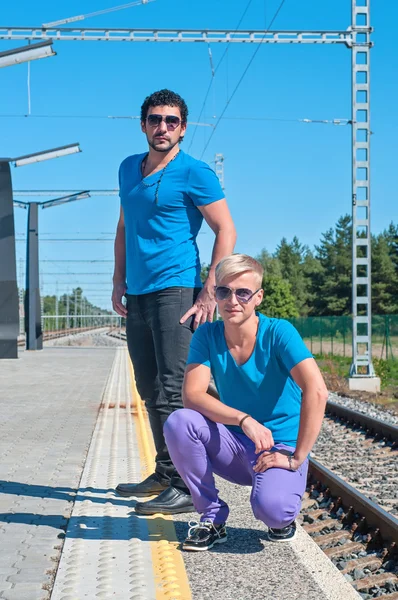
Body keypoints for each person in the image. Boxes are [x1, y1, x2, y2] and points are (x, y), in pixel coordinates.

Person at [112, 89, 236, 515]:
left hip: (177, 288)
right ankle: (165, 472)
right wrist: (117, 279)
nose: (162, 127)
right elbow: (124, 225)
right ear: (143, 124)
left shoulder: (195, 173)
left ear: (182, 128)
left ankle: (187, 486)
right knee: (148, 387)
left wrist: (209, 290)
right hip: (138, 290)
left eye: (171, 120)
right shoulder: (129, 169)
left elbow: (226, 230)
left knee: (174, 389)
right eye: (154, 119)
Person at [164, 254, 328, 549]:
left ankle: (280, 501)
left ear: (258, 298)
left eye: (243, 292)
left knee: (273, 512)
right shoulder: (207, 335)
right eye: (224, 291)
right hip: (236, 446)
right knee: (179, 422)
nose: (232, 301)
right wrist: (243, 419)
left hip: (279, 447)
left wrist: (296, 457)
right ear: (214, 295)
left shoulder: (279, 333)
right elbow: (192, 396)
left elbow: (316, 391)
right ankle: (212, 517)